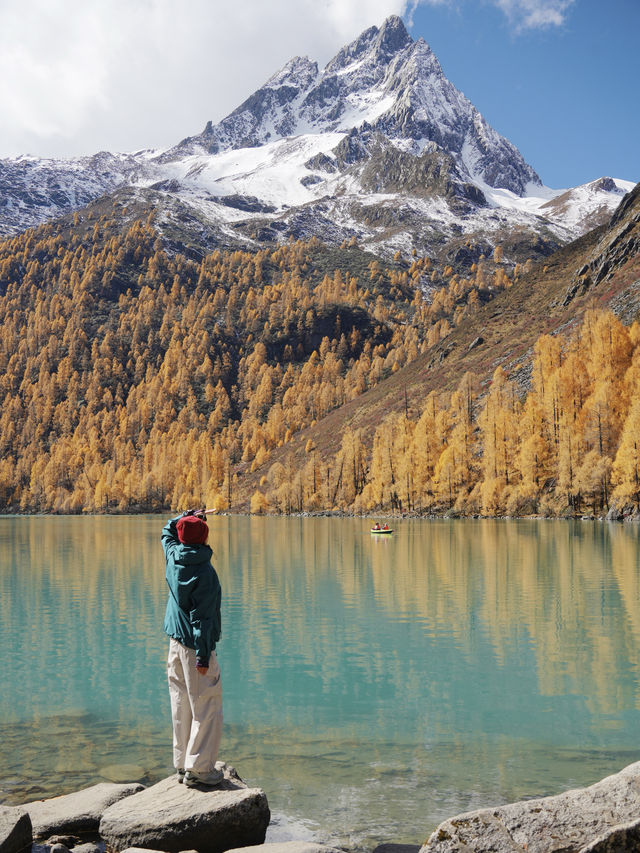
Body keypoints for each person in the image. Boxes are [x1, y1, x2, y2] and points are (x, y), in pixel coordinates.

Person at [162, 509, 223, 787]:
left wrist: (184, 517)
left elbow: (167, 533)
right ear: (205, 538)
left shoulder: (173, 556)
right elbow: (203, 620)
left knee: (180, 703)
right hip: (193, 648)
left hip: (174, 644)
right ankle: (199, 769)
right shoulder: (205, 573)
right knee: (206, 704)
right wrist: (202, 656)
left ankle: (181, 763)